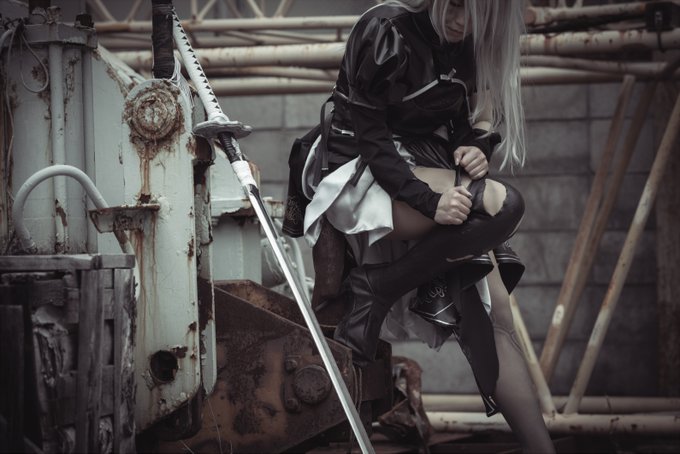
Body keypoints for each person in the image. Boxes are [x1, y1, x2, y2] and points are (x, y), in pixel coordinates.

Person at [283, 0, 555, 452]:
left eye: (475, 12)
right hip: (357, 172)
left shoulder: (474, 46)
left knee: (498, 319)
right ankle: (378, 287)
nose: (460, 20)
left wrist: (475, 146)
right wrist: (430, 202)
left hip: (430, 172)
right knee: (504, 205)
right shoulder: (386, 28)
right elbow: (372, 139)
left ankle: (542, 449)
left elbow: (461, 122)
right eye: (454, 5)